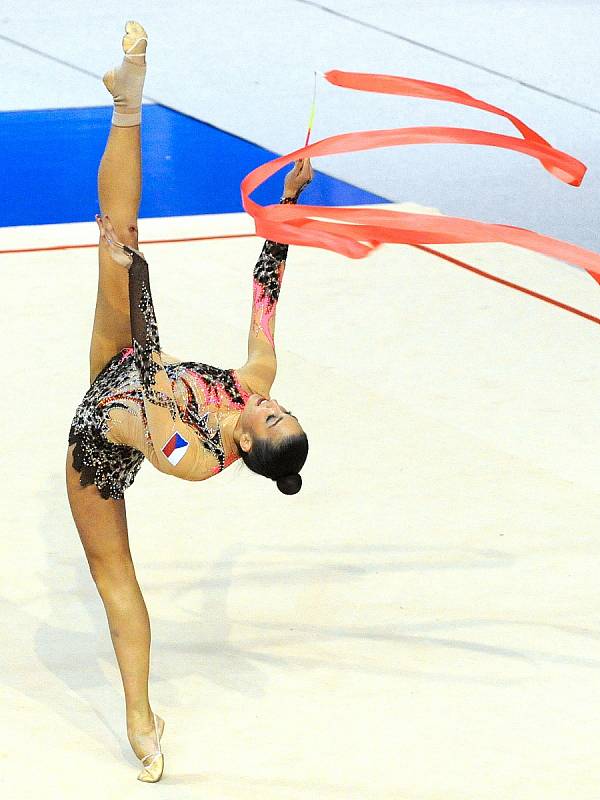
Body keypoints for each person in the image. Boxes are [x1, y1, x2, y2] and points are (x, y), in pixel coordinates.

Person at [65, 21, 311, 782]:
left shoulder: (195, 459)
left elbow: (142, 423)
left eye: (272, 419)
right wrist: (283, 220)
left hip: (96, 443)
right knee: (119, 239)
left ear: (250, 448)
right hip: (128, 360)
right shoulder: (256, 381)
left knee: (119, 588)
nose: (269, 403)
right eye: (283, 408)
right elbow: (265, 299)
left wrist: (145, 316)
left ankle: (140, 718)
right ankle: (128, 95)